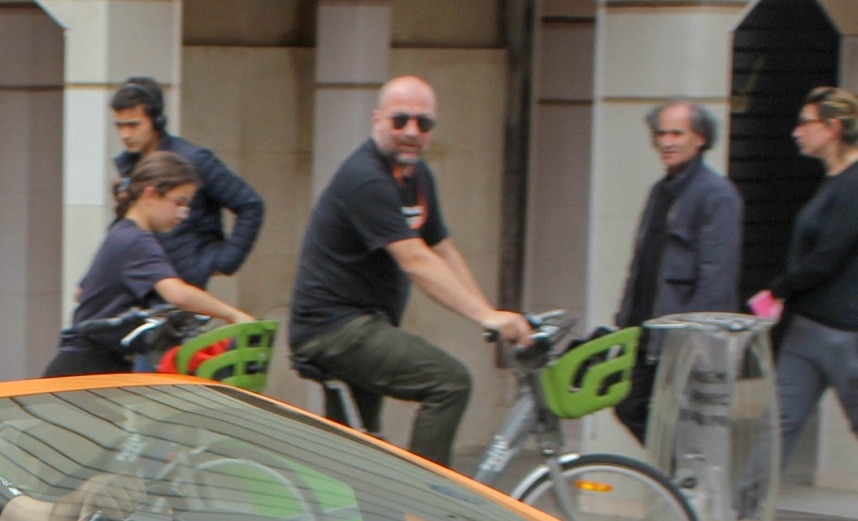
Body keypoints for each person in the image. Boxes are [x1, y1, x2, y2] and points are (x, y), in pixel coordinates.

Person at [287, 75, 529, 468]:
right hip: (334, 329)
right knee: (449, 382)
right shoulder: (366, 178)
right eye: (400, 121)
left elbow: (442, 249)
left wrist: (489, 313)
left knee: (364, 460)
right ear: (377, 119)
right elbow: (416, 261)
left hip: (364, 325)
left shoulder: (416, 176)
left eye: (424, 123)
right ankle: (424, 512)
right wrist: (485, 316)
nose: (412, 132)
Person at [748, 87, 858, 521]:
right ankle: (744, 517)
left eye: (806, 122)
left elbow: (827, 257)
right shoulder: (835, 179)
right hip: (810, 328)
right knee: (777, 423)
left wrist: (777, 290)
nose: (797, 132)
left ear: (833, 128)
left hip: (852, 330)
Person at [44, 149, 253, 378]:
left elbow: (79, 291)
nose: (184, 214)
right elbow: (178, 295)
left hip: (95, 364)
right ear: (150, 195)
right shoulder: (137, 240)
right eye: (179, 202)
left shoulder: (123, 233)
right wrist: (232, 314)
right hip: (87, 368)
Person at [613, 100, 743, 444]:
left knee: (681, 418)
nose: (667, 142)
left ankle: (678, 483)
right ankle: (672, 478)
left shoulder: (716, 195)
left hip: (681, 334)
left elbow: (717, 276)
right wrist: (624, 318)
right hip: (644, 329)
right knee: (628, 403)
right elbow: (641, 262)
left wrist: (698, 337)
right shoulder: (661, 191)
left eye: (676, 133)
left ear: (699, 138)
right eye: (661, 134)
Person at [108, 77, 264, 289]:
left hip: (182, 284)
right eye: (120, 126)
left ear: (156, 121)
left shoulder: (194, 160)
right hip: (145, 285)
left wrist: (224, 261)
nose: (125, 134)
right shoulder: (129, 166)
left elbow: (250, 204)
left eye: (133, 125)